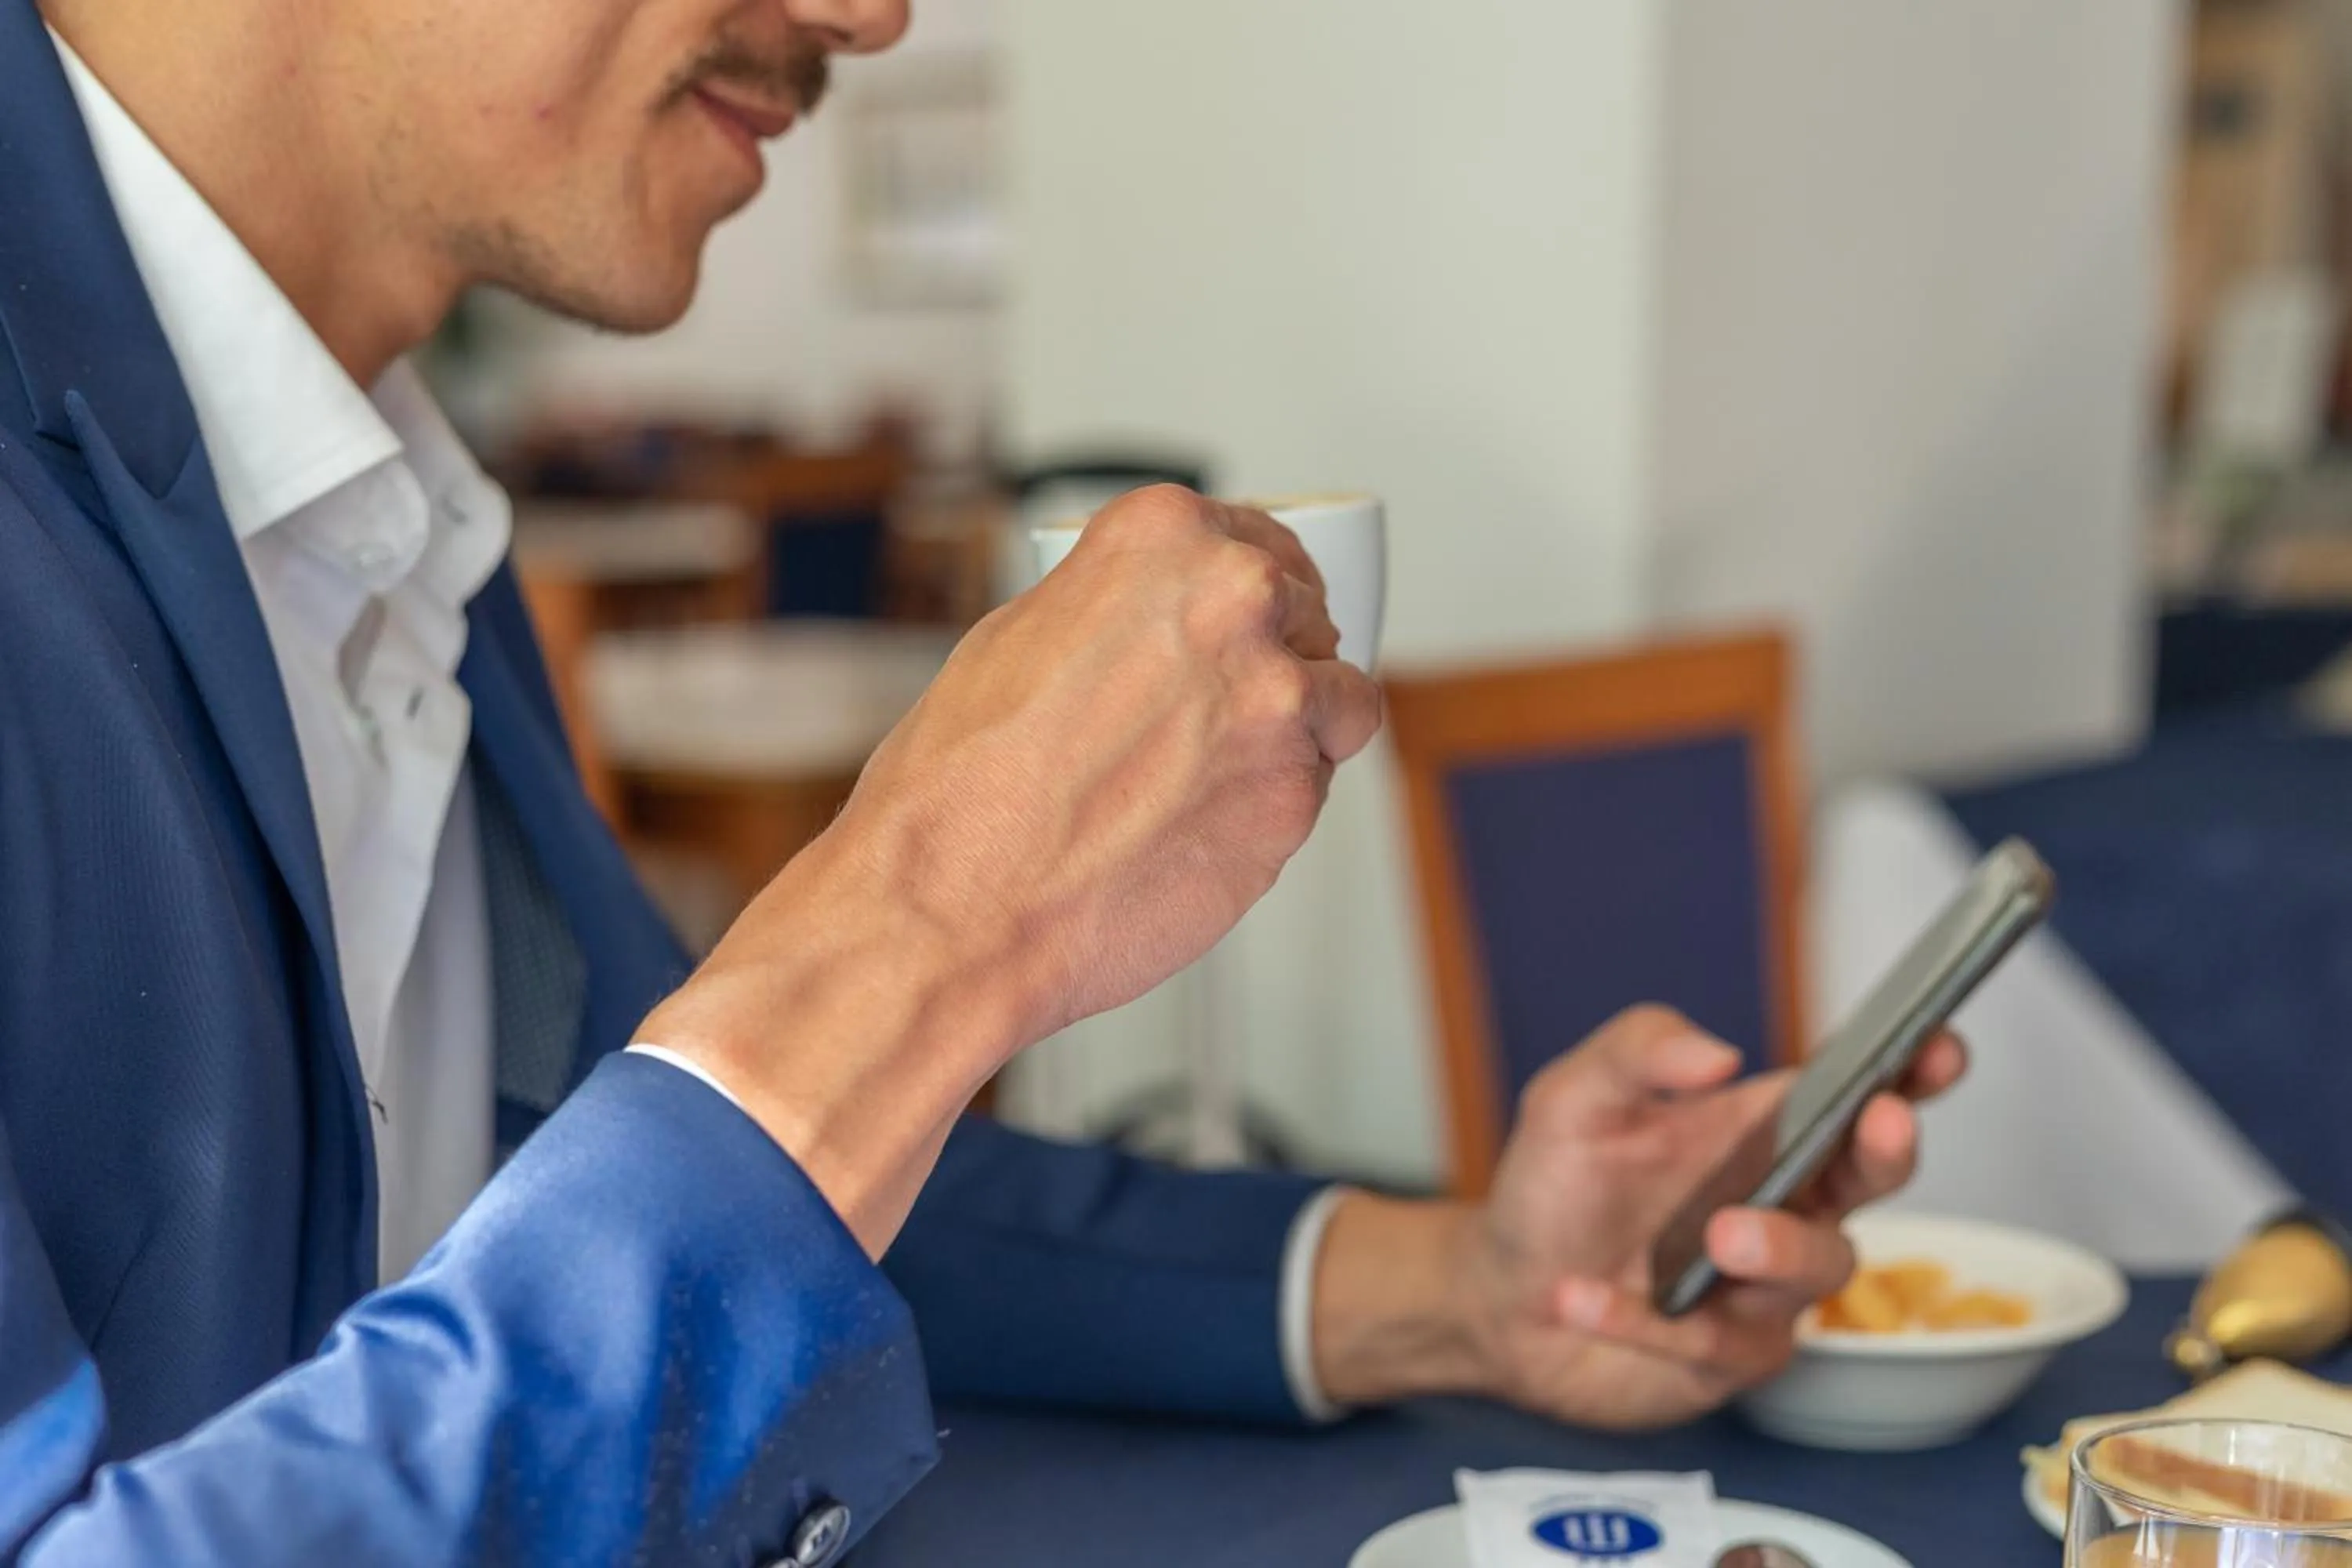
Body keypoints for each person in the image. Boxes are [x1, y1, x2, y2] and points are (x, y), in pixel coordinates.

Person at [0, 0, 1965, 1561]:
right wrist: (929, 930)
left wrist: (1470, 1286)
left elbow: (716, 1206)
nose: (874, 15)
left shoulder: (387, 511)